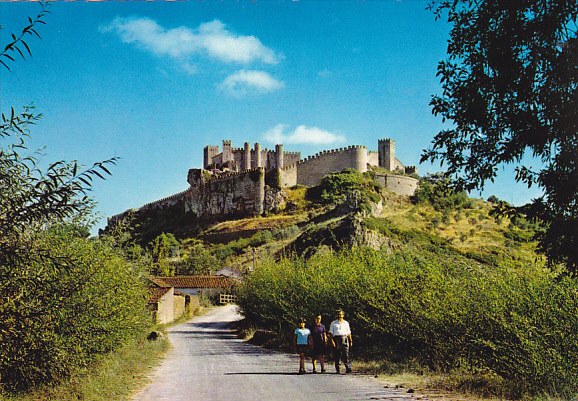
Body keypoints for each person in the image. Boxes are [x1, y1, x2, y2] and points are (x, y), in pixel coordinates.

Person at [329, 309, 352, 374]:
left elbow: (349, 333)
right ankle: (338, 369)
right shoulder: (333, 323)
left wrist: (350, 340)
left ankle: (348, 368)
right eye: (338, 314)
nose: (340, 316)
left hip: (344, 338)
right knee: (337, 354)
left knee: (346, 354)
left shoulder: (346, 323)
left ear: (343, 315)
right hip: (337, 338)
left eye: (341, 314)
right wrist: (332, 341)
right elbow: (331, 333)